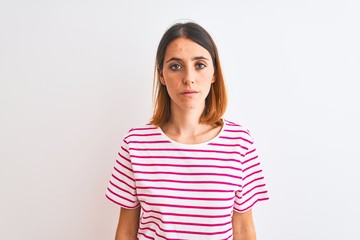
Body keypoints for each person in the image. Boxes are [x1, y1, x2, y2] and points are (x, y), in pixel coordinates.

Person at [105, 21, 269, 240]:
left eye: (199, 64)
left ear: (214, 73)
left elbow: (244, 230)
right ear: (161, 75)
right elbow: (125, 231)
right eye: (175, 66)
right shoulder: (136, 143)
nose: (188, 78)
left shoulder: (239, 142)